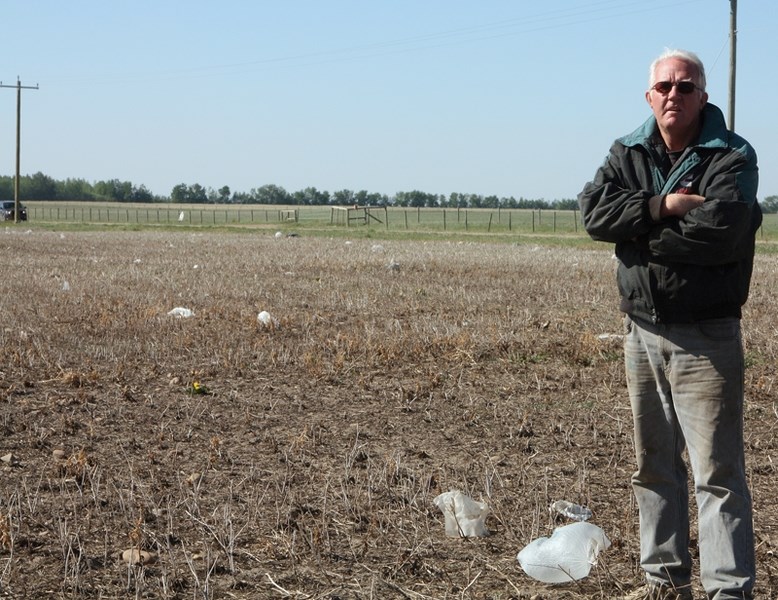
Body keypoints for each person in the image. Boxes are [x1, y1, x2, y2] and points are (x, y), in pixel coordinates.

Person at [578, 48, 761, 600]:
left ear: (703, 96)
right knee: (653, 465)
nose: (673, 95)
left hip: (706, 337)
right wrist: (663, 207)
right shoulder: (626, 149)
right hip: (641, 332)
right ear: (649, 95)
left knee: (717, 475)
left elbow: (721, 234)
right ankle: (664, 581)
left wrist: (633, 238)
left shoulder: (731, 155)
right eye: (664, 86)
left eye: (685, 86)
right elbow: (592, 214)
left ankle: (728, 590)